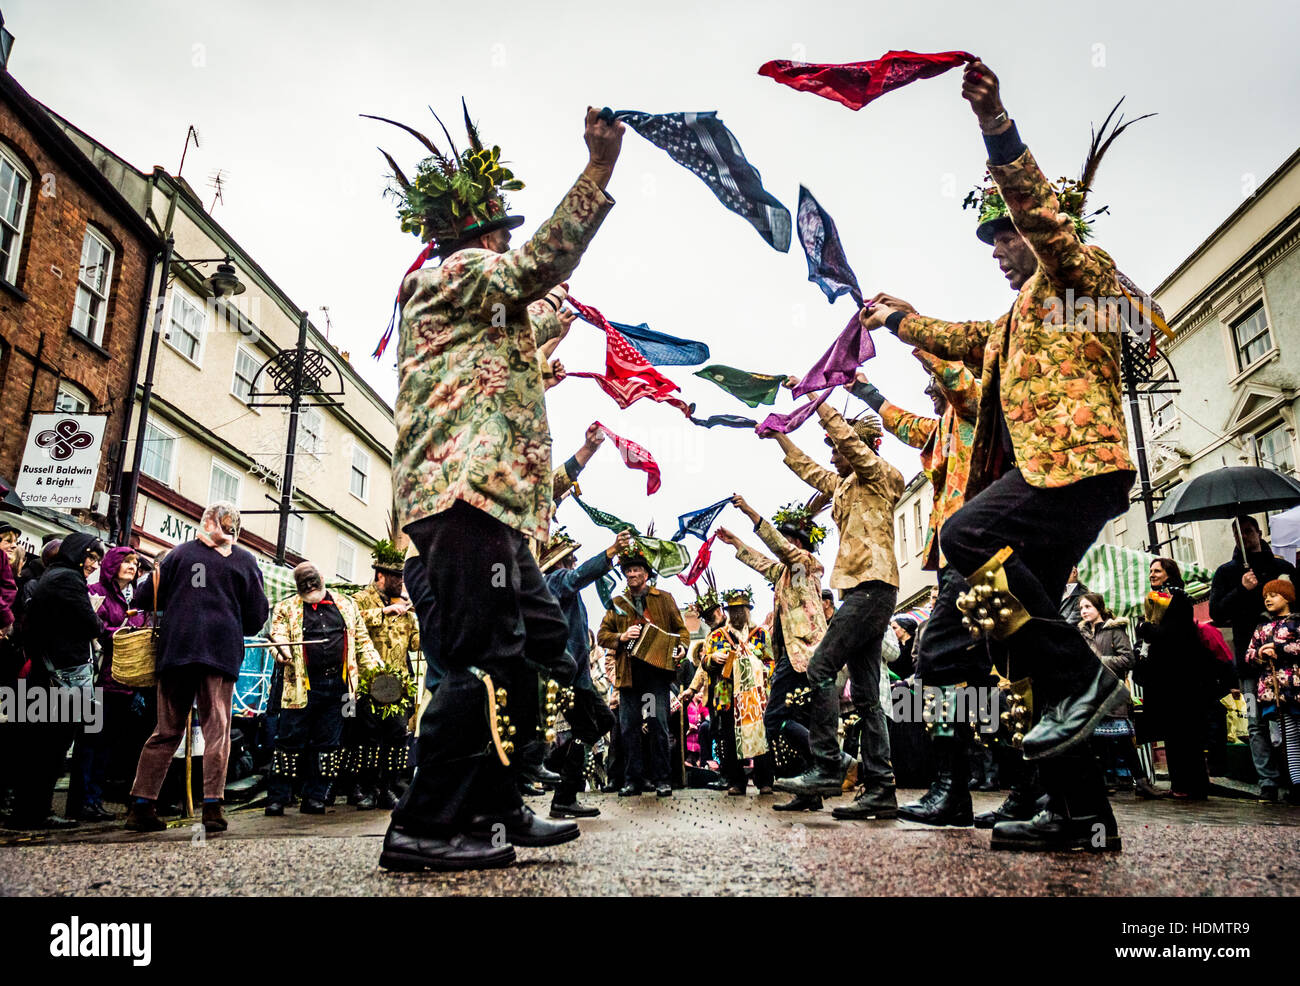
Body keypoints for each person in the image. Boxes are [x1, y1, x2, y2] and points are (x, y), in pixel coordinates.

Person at [861, 59, 1148, 851]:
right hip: (1056, 482)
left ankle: (1085, 678)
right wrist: (902, 319)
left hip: (1077, 467)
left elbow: (1044, 211)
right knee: (1012, 632)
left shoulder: (1073, 276)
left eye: (1003, 233)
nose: (995, 246)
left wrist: (996, 124)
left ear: (1035, 234)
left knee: (962, 537)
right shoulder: (1014, 316)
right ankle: (1079, 810)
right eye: (989, 238)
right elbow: (964, 339)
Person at [380, 105, 622, 872]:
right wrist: (597, 172)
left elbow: (533, 312)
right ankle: (428, 825)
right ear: (482, 238)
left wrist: (565, 302)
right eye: (504, 235)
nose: (509, 245)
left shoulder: (470, 297)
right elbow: (529, 274)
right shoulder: (453, 274)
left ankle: (498, 803)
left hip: (488, 501)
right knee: (476, 656)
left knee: (523, 644)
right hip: (463, 494)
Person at [766, 399, 905, 821]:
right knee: (865, 696)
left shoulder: (880, 475)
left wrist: (818, 401)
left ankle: (827, 764)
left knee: (820, 667)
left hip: (873, 587)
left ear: (857, 446)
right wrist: (779, 437)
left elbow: (851, 443)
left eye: (835, 447)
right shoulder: (845, 485)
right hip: (860, 591)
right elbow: (810, 470)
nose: (830, 454)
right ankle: (881, 787)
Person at [124, 502, 269, 835]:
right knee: (218, 730)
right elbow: (257, 615)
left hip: (175, 651)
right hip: (219, 652)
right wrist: (230, 620)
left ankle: (142, 805)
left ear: (205, 522)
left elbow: (144, 596)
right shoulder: (245, 560)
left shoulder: (178, 554)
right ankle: (212, 808)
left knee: (166, 731)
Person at [717, 493, 829, 809]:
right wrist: (736, 541)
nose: (782, 545)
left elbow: (779, 548)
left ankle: (829, 763)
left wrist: (751, 512)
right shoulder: (784, 572)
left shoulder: (804, 565)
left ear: (796, 542)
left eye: (786, 539)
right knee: (788, 718)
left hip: (804, 653)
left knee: (774, 719)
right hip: (791, 657)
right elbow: (762, 560)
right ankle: (813, 792)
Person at [267, 561, 383, 816]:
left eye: (313, 581)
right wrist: (281, 653)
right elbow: (278, 637)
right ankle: (277, 798)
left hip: (339, 688)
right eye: (304, 584)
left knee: (328, 744)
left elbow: (362, 642)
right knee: (288, 742)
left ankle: (315, 797)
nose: (309, 587)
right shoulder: (286, 608)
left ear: (322, 578)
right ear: (297, 586)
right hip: (301, 686)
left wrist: (379, 671)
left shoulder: (347, 604)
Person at [7, 534, 104, 829]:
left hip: (46, 672)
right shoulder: (69, 580)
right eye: (91, 557)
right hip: (59, 676)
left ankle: (29, 811)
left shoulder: (53, 576)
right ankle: (34, 813)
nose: (94, 564)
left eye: (98, 560)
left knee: (39, 746)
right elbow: (92, 623)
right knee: (50, 748)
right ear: (78, 554)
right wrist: (96, 619)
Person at [540, 528, 631, 818]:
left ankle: (548, 766)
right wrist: (610, 552)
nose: (575, 560)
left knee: (604, 719)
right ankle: (563, 796)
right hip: (566, 674)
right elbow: (580, 576)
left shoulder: (564, 586)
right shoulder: (555, 580)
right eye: (571, 557)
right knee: (586, 729)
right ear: (559, 560)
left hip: (580, 676)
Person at [1209, 516, 1297, 801]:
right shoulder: (1226, 572)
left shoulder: (1282, 568)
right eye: (1239, 533)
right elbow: (1217, 613)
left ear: (1259, 532)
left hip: (1286, 663)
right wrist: (1242, 589)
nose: (1245, 537)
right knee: (1254, 720)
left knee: (1290, 718)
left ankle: (1292, 776)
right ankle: (1267, 780)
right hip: (1248, 662)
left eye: (1249, 531)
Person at [598, 548, 690, 797]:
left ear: (646, 573)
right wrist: (622, 636)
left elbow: (682, 632)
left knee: (657, 725)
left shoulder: (664, 598)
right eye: (628, 570)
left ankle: (662, 779)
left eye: (636, 569)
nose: (632, 574)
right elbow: (602, 636)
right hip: (629, 677)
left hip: (655, 676)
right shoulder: (617, 604)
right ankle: (632, 781)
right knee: (629, 729)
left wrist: (681, 648)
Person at [67, 547, 150, 820]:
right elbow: (94, 626)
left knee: (107, 745)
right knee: (90, 742)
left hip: (124, 682)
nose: (131, 566)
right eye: (126, 561)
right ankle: (81, 801)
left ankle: (95, 799)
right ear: (113, 564)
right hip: (99, 680)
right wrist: (121, 633)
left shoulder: (134, 598)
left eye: (135, 563)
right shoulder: (97, 592)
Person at [346, 541, 420, 809]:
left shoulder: (405, 606)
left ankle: (387, 788)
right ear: (380, 576)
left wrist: (422, 614)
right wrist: (382, 612)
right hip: (368, 682)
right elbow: (349, 622)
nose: (401, 582)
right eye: (397, 577)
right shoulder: (360, 599)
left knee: (396, 737)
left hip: (398, 685)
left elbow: (416, 644)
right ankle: (364, 788)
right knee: (367, 738)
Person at [1134, 558, 1214, 801]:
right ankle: (1179, 782)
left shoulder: (1179, 598)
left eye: (1157, 570)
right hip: (1163, 677)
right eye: (1150, 571)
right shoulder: (1154, 598)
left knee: (1185, 733)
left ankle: (1194, 785)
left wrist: (1148, 630)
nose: (1152, 574)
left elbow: (1177, 634)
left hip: (1180, 678)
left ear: (1169, 574)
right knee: (1171, 732)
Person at [684, 587, 773, 796]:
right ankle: (735, 781)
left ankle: (765, 780)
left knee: (761, 735)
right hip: (726, 692)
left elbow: (770, 661)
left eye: (741, 610)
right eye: (733, 611)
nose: (737, 615)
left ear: (748, 610)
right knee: (729, 737)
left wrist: (760, 667)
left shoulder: (760, 634)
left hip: (754, 694)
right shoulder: (716, 636)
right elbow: (703, 662)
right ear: (727, 612)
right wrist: (713, 659)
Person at [1077, 592, 1159, 798]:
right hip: (1090, 694)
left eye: (1087, 607)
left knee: (1122, 738)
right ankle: (1104, 781)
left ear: (1098, 607)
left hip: (1112, 691)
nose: (1084, 611)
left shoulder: (1114, 630)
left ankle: (1141, 782)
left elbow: (1128, 659)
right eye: (1081, 608)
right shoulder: (1082, 633)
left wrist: (1099, 661)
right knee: (1095, 741)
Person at [1242, 576, 1300, 804]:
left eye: (1274, 595)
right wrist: (1259, 655)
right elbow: (1248, 655)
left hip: (1295, 687)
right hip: (1275, 692)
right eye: (1265, 596)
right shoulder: (1262, 627)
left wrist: (1280, 648)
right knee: (1290, 738)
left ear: (1287, 597)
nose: (1268, 599)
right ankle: (1296, 784)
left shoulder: (1296, 623)